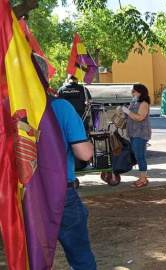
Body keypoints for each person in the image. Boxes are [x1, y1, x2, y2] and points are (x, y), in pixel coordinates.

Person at [34, 54, 97, 269]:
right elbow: (84, 154)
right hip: (61, 194)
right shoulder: (60, 107)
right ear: (46, 76)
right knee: (80, 258)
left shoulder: (8, 108)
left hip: (25, 196)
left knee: (32, 259)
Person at [122, 83, 152, 188]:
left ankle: (142, 178)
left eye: (134, 91)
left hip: (140, 133)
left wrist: (128, 111)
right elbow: (129, 116)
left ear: (140, 93)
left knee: (140, 155)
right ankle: (143, 177)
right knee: (138, 155)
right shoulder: (134, 103)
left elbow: (139, 117)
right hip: (133, 132)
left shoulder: (144, 104)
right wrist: (125, 110)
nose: (132, 93)